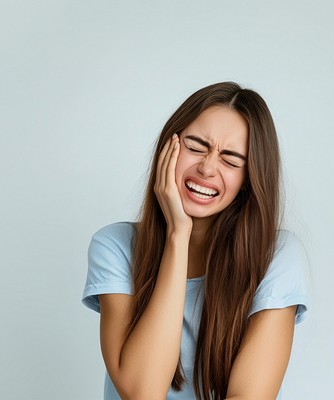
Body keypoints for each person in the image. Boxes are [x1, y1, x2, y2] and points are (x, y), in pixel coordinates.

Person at [82, 82, 310, 400]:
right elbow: (141, 392)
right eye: (196, 146)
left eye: (230, 161)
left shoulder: (277, 255)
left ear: (249, 180)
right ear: (168, 148)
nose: (207, 167)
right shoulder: (115, 246)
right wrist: (178, 235)